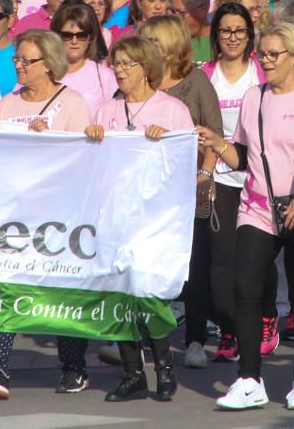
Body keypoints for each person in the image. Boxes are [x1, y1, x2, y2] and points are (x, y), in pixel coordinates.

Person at [196, 23, 294, 411]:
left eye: (273, 54)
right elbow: (242, 158)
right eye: (263, 54)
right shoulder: (254, 97)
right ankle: (249, 378)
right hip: (256, 204)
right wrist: (218, 144)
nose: (265, 61)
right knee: (245, 287)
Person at [0, 30, 91, 400]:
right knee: (6, 284)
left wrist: (52, 138)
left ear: (49, 63)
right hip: (16, 216)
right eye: (16, 59)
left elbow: (84, 158)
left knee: (61, 292)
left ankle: (74, 368)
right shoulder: (9, 102)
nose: (19, 65)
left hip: (59, 215)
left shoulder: (73, 103)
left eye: (26, 60)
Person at [87, 36, 193, 402]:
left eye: (128, 64)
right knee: (120, 294)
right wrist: (92, 140)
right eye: (116, 63)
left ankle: (164, 366)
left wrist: (166, 143)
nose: (120, 70)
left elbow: (184, 164)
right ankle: (133, 373)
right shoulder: (105, 111)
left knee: (147, 292)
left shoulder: (172, 109)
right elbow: (91, 165)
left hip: (154, 219)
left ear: (147, 68)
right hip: (114, 215)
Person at [136, 16, 223, 370]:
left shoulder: (196, 82)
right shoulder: (141, 83)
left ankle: (196, 339)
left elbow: (214, 134)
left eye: (153, 41)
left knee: (195, 264)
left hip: (191, 188)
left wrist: (204, 176)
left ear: (170, 45)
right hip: (148, 193)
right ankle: (142, 338)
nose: (148, 48)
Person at [200, 4, 263, 363]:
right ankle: (228, 329)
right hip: (221, 176)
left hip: (257, 177)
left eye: (240, 30)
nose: (233, 37)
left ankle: (262, 317)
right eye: (226, 30)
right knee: (221, 261)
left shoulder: (260, 74)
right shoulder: (207, 74)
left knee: (255, 259)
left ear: (249, 36)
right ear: (216, 36)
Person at [51, 1, 117, 117]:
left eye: (81, 36)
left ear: (90, 38)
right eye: (67, 35)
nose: (74, 41)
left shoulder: (105, 77)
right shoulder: (44, 72)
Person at [170, 0, 213, 65]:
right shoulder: (172, 43)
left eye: (181, 13)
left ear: (202, 10)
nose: (176, 19)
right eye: (173, 12)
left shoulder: (223, 41)